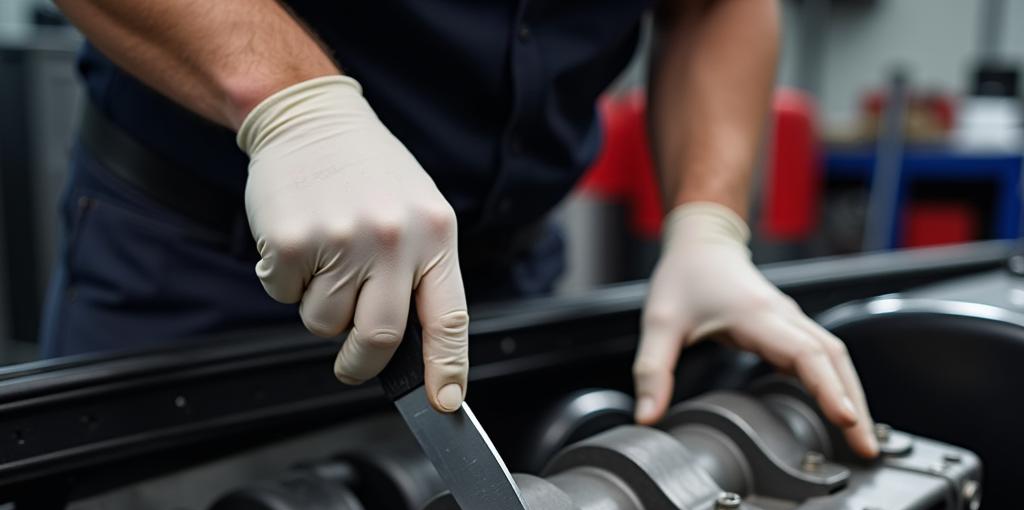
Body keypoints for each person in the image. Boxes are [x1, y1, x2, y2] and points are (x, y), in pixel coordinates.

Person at [45, 0, 877, 457]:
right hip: (206, 272)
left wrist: (708, 224)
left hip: (498, 293)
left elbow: (715, 9)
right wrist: (292, 104)